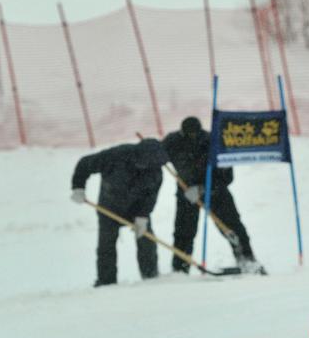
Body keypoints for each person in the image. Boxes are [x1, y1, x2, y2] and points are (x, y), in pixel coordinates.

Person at [162, 116, 264, 274]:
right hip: (186, 192)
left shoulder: (214, 142)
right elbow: (157, 156)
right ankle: (180, 267)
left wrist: (204, 189)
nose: (192, 137)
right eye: (188, 135)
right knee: (183, 231)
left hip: (216, 190)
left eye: (194, 134)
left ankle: (247, 260)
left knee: (232, 226)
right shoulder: (172, 141)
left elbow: (227, 176)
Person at [70, 138, 168, 287]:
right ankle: (106, 281)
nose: (150, 167)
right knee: (106, 244)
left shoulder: (155, 171)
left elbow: (151, 197)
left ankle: (151, 277)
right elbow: (85, 164)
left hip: (137, 209)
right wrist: (78, 187)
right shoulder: (115, 156)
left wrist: (142, 216)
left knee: (146, 241)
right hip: (109, 207)